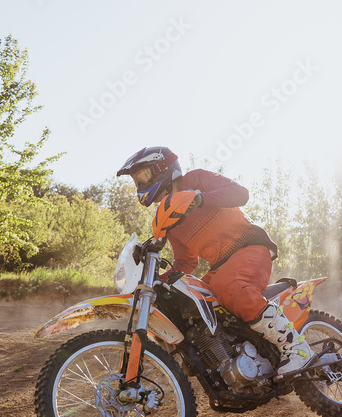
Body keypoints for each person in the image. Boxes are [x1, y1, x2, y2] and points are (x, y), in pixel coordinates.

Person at [116, 146, 313, 379]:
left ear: (162, 168)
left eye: (143, 177)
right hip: (220, 268)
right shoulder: (165, 217)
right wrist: (160, 281)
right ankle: (233, 361)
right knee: (187, 299)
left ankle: (297, 347)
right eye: (137, 181)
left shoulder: (196, 179)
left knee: (226, 285)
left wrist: (200, 198)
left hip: (250, 248)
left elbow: (241, 194)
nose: (140, 185)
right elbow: (186, 262)